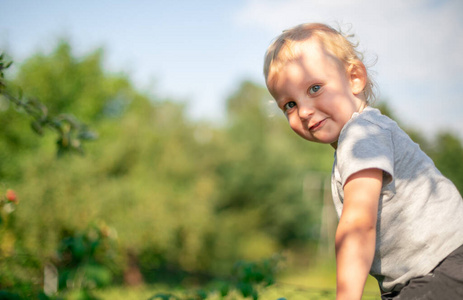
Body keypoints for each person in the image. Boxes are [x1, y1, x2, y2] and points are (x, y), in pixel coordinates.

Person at [263, 23, 463, 300]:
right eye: (290, 105)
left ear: (355, 77)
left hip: (445, 266)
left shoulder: (362, 135)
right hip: (422, 275)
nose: (305, 111)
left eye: (315, 88)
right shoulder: (358, 137)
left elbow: (358, 222)